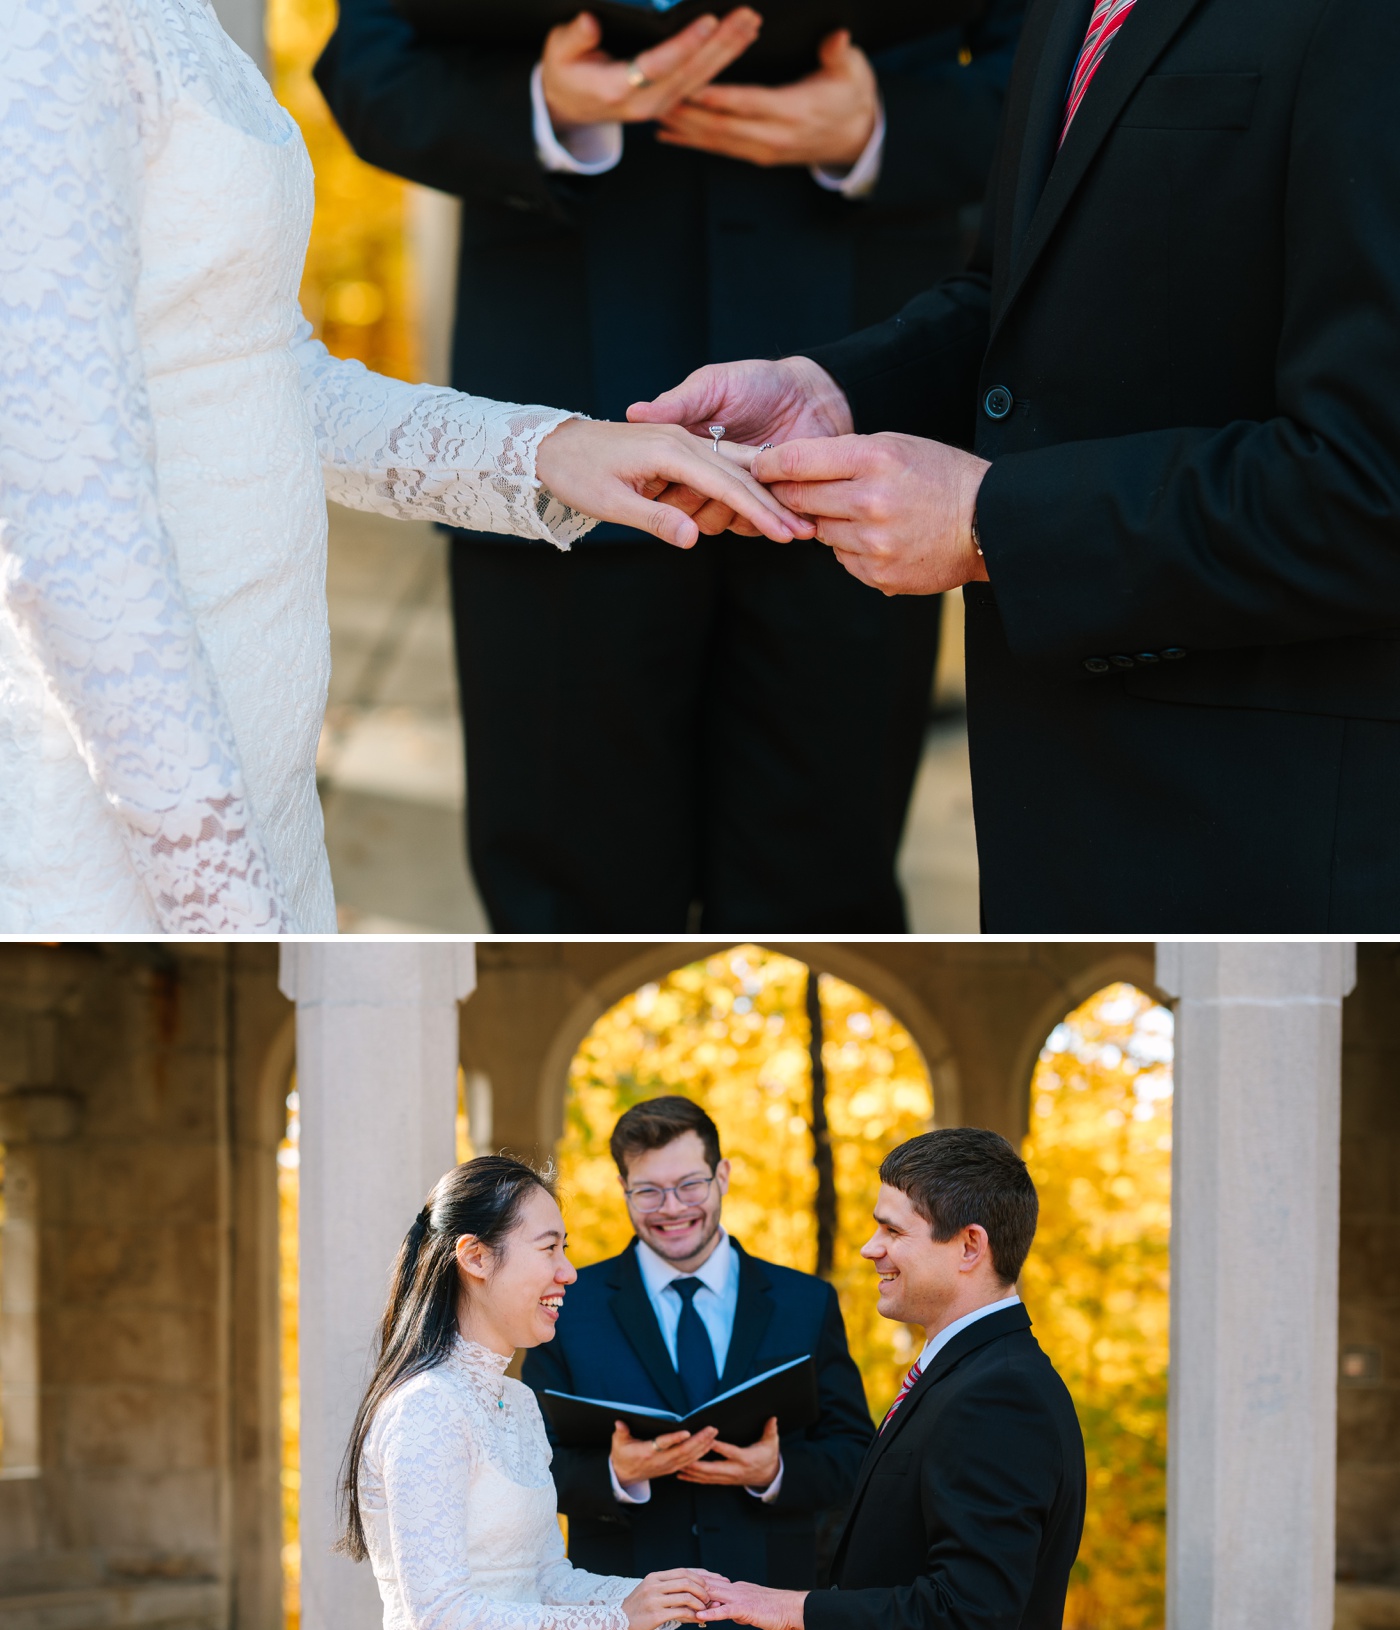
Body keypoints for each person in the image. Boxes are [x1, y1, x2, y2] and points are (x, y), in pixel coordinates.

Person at [0, 0, 800, 938]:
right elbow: (63, 519)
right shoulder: (49, 27)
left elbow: (252, 367)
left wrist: (546, 449)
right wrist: (226, 910)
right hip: (147, 825)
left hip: (261, 780)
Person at [635, 0, 1400, 933]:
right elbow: (1017, 294)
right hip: (1061, 795)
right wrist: (834, 392)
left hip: (1275, 824)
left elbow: (1372, 483)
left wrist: (990, 522)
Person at [314, 0, 1026, 933]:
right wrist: (542, 106)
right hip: (561, 404)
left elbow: (1063, 84)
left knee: (824, 896)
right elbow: (370, 66)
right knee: (565, 908)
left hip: (861, 422)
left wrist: (883, 125)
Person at [703, 1127, 1086, 1630]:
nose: (871, 1249)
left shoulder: (998, 1394)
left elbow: (967, 1616)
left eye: (892, 1229)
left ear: (969, 1246)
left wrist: (795, 1609)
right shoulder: (961, 1376)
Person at [341, 1154, 726, 1630]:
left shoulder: (516, 1403)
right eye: (550, 1247)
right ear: (475, 1257)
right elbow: (444, 1615)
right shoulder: (424, 1409)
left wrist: (650, 1597)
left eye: (567, 1248)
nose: (569, 1272)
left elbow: (544, 1576)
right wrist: (619, 1622)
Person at [520, 1095, 873, 1630]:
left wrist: (773, 1473)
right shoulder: (569, 1307)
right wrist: (619, 1473)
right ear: (622, 1192)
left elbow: (856, 1453)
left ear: (723, 1176)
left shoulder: (805, 1302)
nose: (671, 1208)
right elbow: (527, 1467)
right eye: (647, 1190)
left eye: (688, 1185)